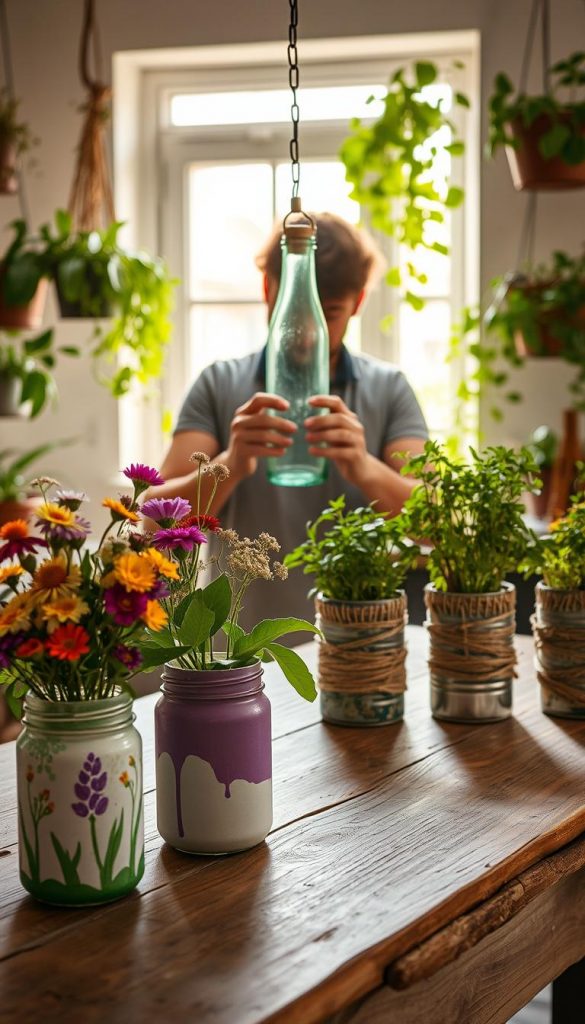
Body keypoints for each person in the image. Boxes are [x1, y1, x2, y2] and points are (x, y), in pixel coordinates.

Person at [149, 212, 429, 630]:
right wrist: (232, 462)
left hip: (359, 646)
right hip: (242, 651)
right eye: (291, 309)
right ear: (267, 290)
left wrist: (365, 467)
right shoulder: (219, 382)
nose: (307, 331)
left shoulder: (388, 388)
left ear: (359, 302)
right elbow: (154, 521)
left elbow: (434, 526)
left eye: (329, 313)